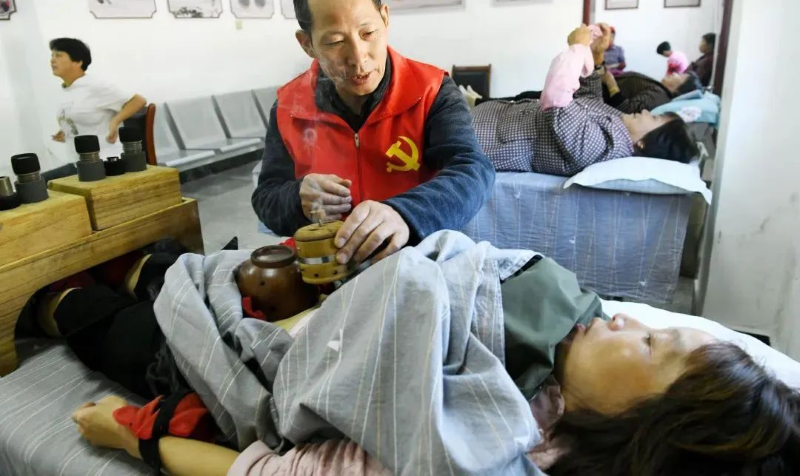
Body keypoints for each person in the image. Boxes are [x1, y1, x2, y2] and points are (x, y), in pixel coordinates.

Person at [66, 252, 800, 475]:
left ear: (638, 433)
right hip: (334, 303)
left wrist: (130, 438)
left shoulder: (469, 447)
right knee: (210, 268)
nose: (628, 318)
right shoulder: (570, 355)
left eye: (648, 344)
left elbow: (261, 473)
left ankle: (59, 302)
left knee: (104, 322)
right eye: (336, 38)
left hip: (286, 361)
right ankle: (145, 268)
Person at [251, 0, 494, 267]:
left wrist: (404, 213)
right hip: (326, 268)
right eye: (335, 42)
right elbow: (266, 198)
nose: (358, 57)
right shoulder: (290, 106)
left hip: (414, 264)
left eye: (368, 32)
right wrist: (296, 197)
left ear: (385, 18)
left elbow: (473, 171)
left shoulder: (430, 91)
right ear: (307, 44)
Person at [472, 24, 698, 177]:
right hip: (491, 118)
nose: (648, 112)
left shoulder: (603, 147)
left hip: (483, 136)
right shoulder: (619, 125)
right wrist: (593, 53)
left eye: (655, 118)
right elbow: (588, 97)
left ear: (645, 143)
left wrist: (577, 48)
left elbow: (557, 98)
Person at [49, 38, 146, 176]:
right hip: (77, 163)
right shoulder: (66, 90)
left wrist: (115, 121)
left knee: (40, 184)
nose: (52, 60)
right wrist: (67, 129)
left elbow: (138, 101)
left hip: (104, 161)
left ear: (78, 62)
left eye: (58, 55)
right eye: (52, 56)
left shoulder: (95, 86)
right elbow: (82, 115)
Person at [601, 68, 703, 114]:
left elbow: (627, 110)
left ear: (680, 89)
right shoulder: (660, 90)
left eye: (680, 75)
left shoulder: (659, 96)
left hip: (600, 98)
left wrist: (610, 82)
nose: (675, 73)